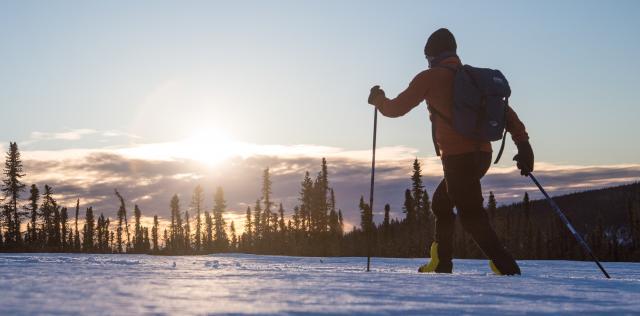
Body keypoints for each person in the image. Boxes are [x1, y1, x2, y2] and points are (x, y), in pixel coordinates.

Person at [367, 28, 534, 275]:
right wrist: (523, 145)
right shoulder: (473, 78)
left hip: (458, 158)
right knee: (441, 204)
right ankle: (441, 262)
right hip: (482, 156)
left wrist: (378, 100)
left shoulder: (429, 77)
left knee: (470, 215)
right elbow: (506, 113)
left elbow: (395, 109)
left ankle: (506, 266)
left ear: (431, 55)